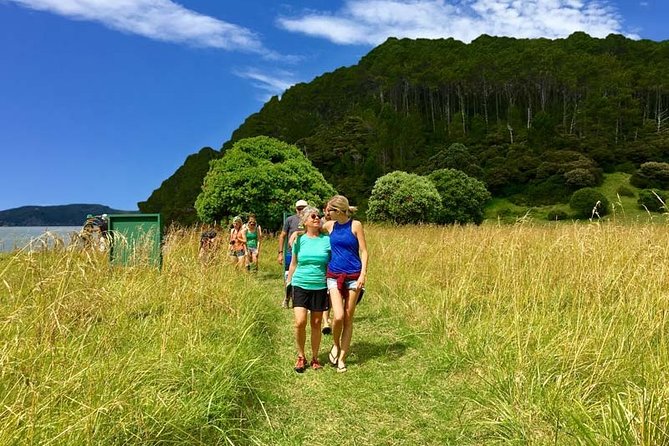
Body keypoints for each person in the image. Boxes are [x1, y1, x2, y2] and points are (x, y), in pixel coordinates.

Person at [323, 195, 368, 373]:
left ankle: (342, 357)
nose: (326, 213)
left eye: (329, 210)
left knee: (348, 318)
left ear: (339, 210)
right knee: (339, 316)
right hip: (333, 275)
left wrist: (362, 275)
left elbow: (364, 251)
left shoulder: (355, 225)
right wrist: (296, 233)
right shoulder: (329, 226)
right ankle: (335, 344)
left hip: (354, 276)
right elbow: (309, 230)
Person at [285, 205, 330, 373]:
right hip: (301, 284)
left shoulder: (326, 240)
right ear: (304, 221)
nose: (317, 218)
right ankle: (301, 356)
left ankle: (315, 357)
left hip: (319, 285)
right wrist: (288, 285)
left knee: (316, 323)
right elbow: (294, 263)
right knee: (300, 322)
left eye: (318, 216)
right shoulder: (299, 239)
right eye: (313, 216)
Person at [278, 199, 308, 307]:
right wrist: (280, 253)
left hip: (305, 254)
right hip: (291, 253)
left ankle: (303, 301)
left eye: (303, 208)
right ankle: (287, 298)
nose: (301, 210)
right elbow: (282, 236)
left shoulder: (310, 220)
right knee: (288, 276)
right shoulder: (290, 220)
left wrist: (298, 233)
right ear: (296, 209)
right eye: (299, 208)